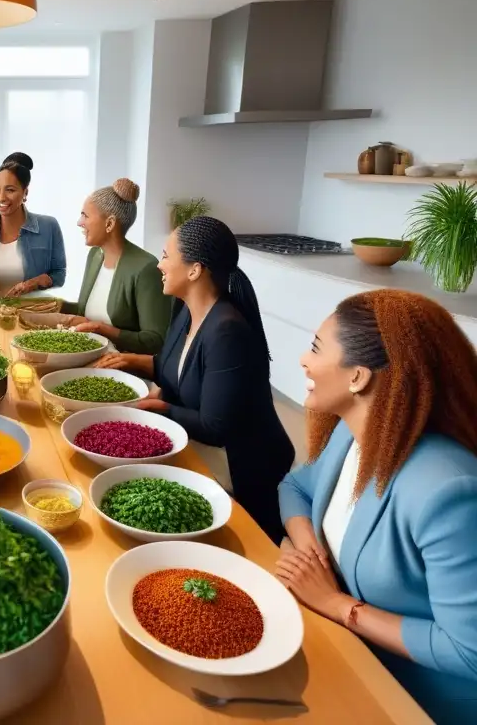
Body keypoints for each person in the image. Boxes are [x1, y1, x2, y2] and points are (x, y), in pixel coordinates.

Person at [277, 290, 477, 724]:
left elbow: (469, 651)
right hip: (341, 652)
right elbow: (295, 487)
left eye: (315, 348)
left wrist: (335, 604)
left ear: (358, 377)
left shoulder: (446, 491)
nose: (303, 361)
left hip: (410, 698)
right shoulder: (353, 434)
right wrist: (310, 549)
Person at [95, 216, 294, 541]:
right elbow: (174, 368)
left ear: (194, 270)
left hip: (242, 469)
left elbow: (215, 428)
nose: (159, 265)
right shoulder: (187, 308)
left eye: (165, 256)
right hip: (203, 446)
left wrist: (156, 408)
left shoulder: (227, 331)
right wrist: (128, 360)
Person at [65, 179, 171, 354]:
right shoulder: (95, 256)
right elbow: (85, 311)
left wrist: (102, 329)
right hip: (85, 354)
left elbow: (156, 340)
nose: (79, 222)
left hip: (122, 367)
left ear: (109, 224)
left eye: (85, 215)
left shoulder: (146, 268)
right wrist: (47, 306)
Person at [0, 152, 65, 298]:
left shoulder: (48, 227)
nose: (1, 197)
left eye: (10, 190)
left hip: (31, 314)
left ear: (25, 193)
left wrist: (35, 282)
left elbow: (59, 275)